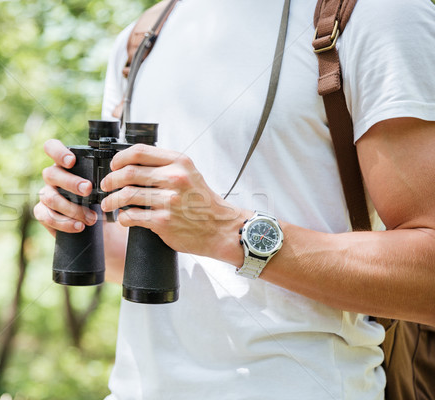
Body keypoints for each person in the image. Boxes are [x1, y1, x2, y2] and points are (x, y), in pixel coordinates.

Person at [34, 0, 435, 398]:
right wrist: (81, 227)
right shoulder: (142, 37)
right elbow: (168, 260)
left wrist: (229, 231)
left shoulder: (377, 13)